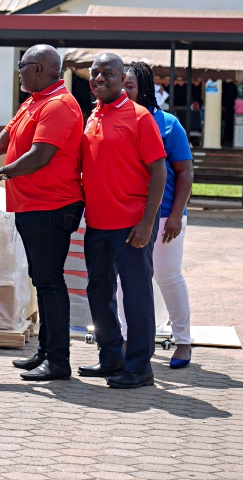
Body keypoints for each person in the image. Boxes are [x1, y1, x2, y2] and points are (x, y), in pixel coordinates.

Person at [0, 44, 84, 381]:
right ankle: (45, 352)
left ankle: (59, 361)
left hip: (51, 206)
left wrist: (2, 174)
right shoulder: (34, 102)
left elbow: (40, 156)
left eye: (21, 65)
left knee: (50, 282)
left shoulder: (58, 106)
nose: (18, 71)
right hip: (34, 205)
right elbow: (0, 141)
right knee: (42, 280)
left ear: (38, 69)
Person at [77, 53, 166, 389]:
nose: (100, 78)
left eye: (108, 73)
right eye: (95, 73)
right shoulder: (93, 116)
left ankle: (140, 366)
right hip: (97, 224)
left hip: (131, 226)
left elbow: (159, 171)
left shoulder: (140, 117)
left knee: (136, 296)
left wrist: (147, 223)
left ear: (121, 78)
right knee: (99, 293)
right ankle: (110, 356)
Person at [122, 62, 194, 369]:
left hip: (164, 217)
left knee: (166, 276)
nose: (124, 91)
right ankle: (128, 339)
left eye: (130, 86)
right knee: (123, 281)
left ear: (145, 89)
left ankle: (183, 341)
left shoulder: (167, 123)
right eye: (121, 85)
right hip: (125, 216)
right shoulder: (114, 120)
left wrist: (176, 214)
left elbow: (185, 171)